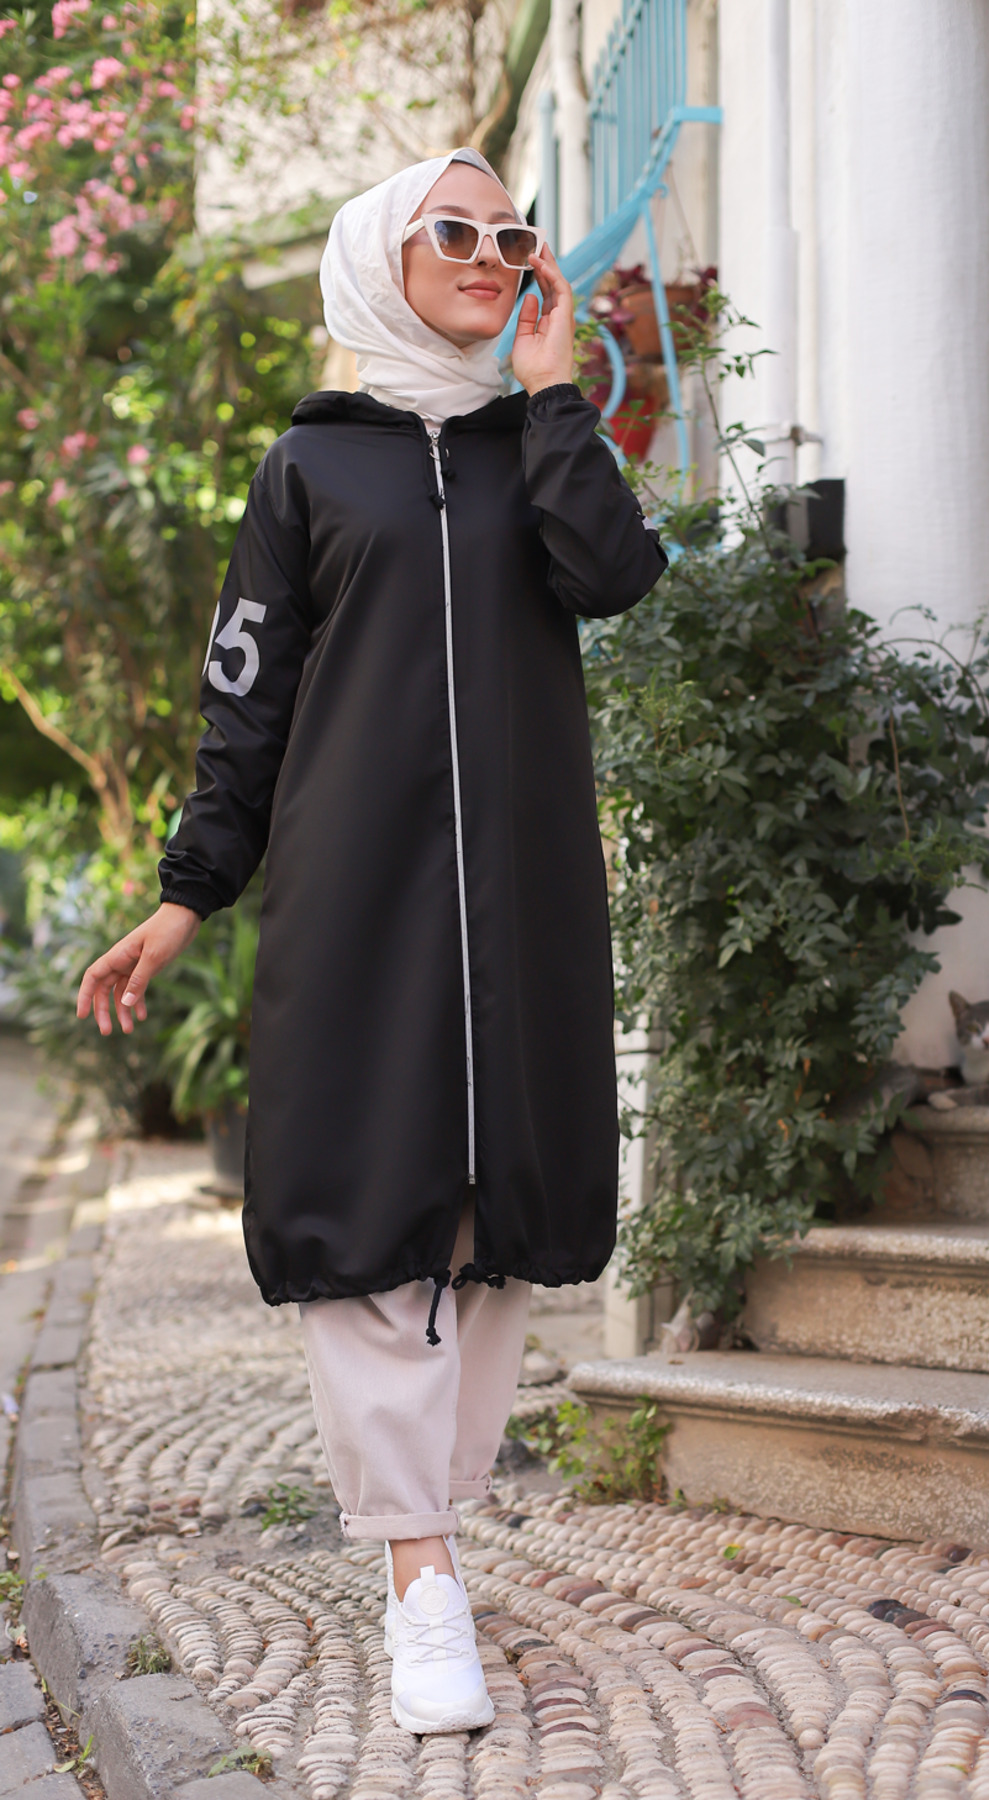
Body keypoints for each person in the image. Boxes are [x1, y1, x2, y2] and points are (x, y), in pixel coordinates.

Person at [76, 146, 667, 1735]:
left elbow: (615, 576)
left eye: (510, 234)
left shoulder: (536, 447)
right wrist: (186, 894)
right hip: (356, 897)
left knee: (495, 1228)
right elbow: (244, 704)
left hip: (524, 897)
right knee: (364, 1220)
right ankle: (419, 1576)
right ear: (377, 260)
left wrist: (556, 394)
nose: (487, 253)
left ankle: (435, 1535)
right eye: (450, 230)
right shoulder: (307, 472)